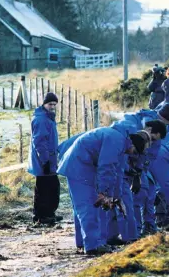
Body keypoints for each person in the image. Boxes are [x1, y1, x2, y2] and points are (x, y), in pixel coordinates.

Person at [57, 122, 150, 255]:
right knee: (88, 206)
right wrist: (103, 193)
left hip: (86, 165)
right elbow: (106, 167)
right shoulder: (116, 141)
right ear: (133, 145)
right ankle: (92, 247)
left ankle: (85, 243)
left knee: (90, 206)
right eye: (134, 151)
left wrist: (115, 198)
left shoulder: (122, 145)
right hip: (79, 165)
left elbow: (117, 174)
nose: (132, 154)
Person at [28, 92, 61, 225]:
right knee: (43, 189)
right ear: (44, 104)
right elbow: (40, 142)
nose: (52, 106)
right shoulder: (41, 119)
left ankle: (49, 213)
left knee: (53, 187)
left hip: (49, 160)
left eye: (54, 104)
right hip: (44, 161)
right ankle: (41, 216)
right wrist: (45, 160)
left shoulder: (48, 118)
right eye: (50, 104)